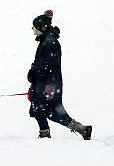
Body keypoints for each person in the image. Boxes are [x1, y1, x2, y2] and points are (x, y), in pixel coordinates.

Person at [27, 10, 92, 140]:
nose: (32, 29)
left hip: (49, 84)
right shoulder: (46, 40)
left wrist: (39, 80)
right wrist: (34, 74)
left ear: (41, 27)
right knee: (51, 110)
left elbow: (50, 67)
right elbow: (42, 65)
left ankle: (45, 135)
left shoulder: (50, 42)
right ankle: (82, 129)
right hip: (48, 83)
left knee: (40, 107)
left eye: (34, 26)